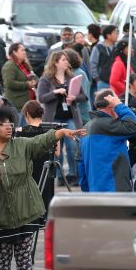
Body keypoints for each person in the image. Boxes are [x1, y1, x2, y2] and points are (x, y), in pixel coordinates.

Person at [0, 105, 83, 270]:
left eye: (10, 122)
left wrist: (61, 133)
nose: (8, 126)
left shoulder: (22, 145)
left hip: (26, 210)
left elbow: (42, 141)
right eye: (3, 123)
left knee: (25, 260)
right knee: (2, 262)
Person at [37, 50, 87, 187]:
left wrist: (74, 98)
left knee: (72, 146)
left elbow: (84, 96)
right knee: (57, 147)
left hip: (70, 117)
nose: (66, 62)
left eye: (66, 60)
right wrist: (55, 92)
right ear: (55, 62)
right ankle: (59, 176)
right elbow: (41, 97)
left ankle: (73, 174)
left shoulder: (72, 77)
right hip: (53, 118)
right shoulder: (46, 79)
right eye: (63, 60)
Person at [78, 90, 136, 193]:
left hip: (94, 191)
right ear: (111, 106)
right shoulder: (107, 124)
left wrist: (86, 191)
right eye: (115, 104)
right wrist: (119, 105)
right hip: (114, 190)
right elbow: (134, 127)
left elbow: (81, 165)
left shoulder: (85, 128)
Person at [2, 43, 37, 115]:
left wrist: (35, 82)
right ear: (14, 52)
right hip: (16, 106)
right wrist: (27, 84)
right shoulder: (9, 66)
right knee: (18, 126)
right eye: (22, 50)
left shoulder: (25, 65)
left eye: (25, 50)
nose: (25, 52)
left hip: (27, 105)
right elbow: (9, 83)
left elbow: (35, 77)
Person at [62, 48, 92, 126]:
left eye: (64, 59)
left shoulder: (79, 73)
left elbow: (84, 95)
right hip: (73, 114)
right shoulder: (68, 73)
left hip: (82, 114)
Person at [90, 25, 118, 92]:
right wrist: (97, 79)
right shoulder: (98, 48)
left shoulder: (117, 48)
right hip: (103, 82)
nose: (117, 35)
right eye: (115, 33)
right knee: (103, 101)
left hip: (115, 82)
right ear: (108, 35)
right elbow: (92, 63)